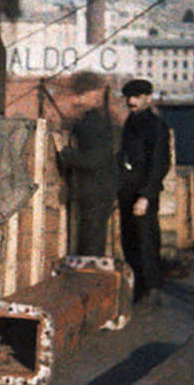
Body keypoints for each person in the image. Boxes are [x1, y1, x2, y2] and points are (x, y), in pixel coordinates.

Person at [117, 78, 171, 305]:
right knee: (130, 240)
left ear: (148, 98)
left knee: (146, 240)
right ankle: (139, 289)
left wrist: (146, 196)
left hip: (142, 193)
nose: (131, 101)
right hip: (127, 191)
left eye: (136, 97)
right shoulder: (131, 121)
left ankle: (152, 289)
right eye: (129, 97)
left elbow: (160, 163)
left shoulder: (155, 125)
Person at [56, 71, 118, 256]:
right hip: (99, 188)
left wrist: (64, 153)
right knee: (92, 238)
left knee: (90, 240)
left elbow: (93, 159)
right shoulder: (99, 119)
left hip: (94, 189)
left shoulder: (91, 121)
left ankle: (89, 277)